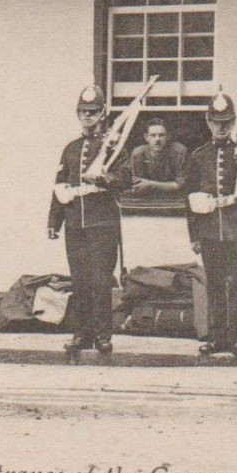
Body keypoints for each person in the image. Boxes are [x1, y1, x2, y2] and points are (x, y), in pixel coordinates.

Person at [46, 85, 132, 361]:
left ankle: (103, 335)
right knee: (80, 281)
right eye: (83, 112)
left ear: (103, 113)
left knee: (100, 281)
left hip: (102, 223)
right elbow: (60, 187)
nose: (88, 117)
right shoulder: (71, 149)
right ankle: (81, 333)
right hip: (75, 225)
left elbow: (126, 178)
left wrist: (105, 180)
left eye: (93, 112)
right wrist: (54, 221)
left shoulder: (114, 145)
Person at [181, 91, 237, 359]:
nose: (221, 127)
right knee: (215, 284)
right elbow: (190, 198)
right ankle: (216, 337)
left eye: (227, 122)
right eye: (217, 121)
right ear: (208, 121)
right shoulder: (198, 156)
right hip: (209, 230)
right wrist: (194, 235)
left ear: (234, 122)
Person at [128, 117, 188, 198]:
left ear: (168, 136)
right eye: (153, 135)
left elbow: (180, 185)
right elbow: (139, 185)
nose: (157, 139)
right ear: (146, 137)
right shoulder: (138, 154)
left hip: (174, 197)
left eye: (161, 135)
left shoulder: (179, 152)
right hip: (146, 197)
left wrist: (151, 184)